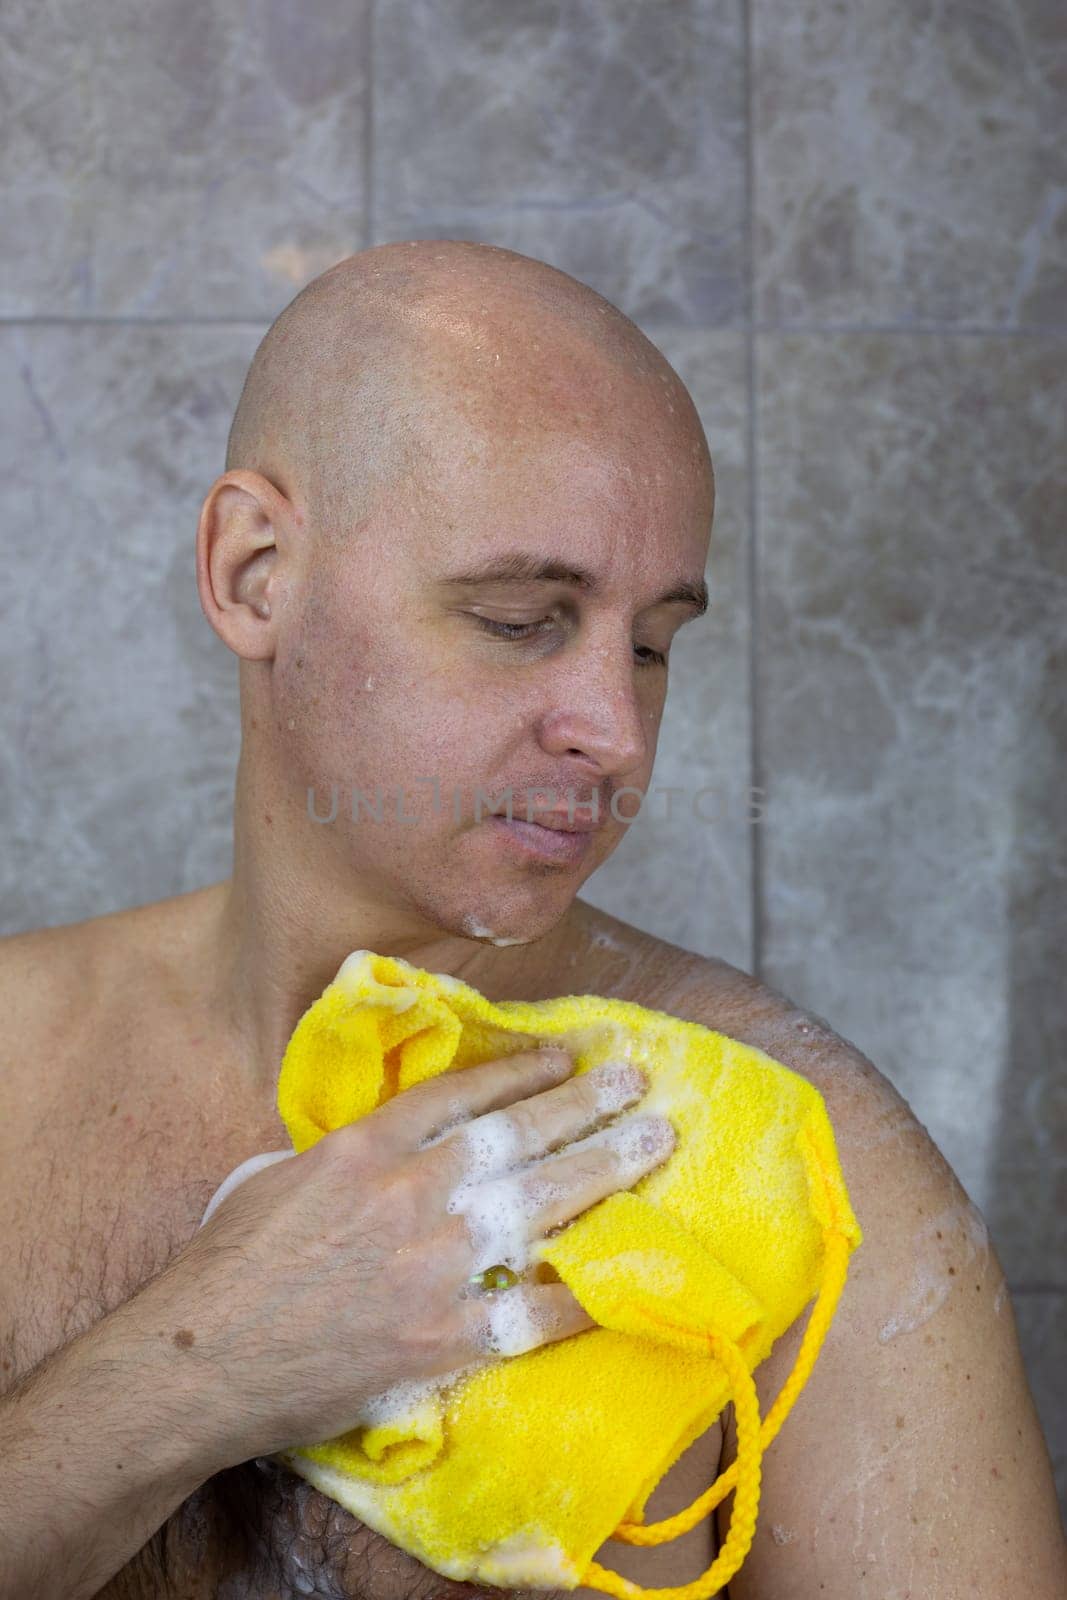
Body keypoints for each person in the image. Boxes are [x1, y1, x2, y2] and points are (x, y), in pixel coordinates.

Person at [0, 239, 1062, 1600]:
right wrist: (199, 1363)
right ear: (255, 573)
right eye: (520, 618)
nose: (615, 733)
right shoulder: (14, 1066)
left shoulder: (804, 1165)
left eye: (652, 642)